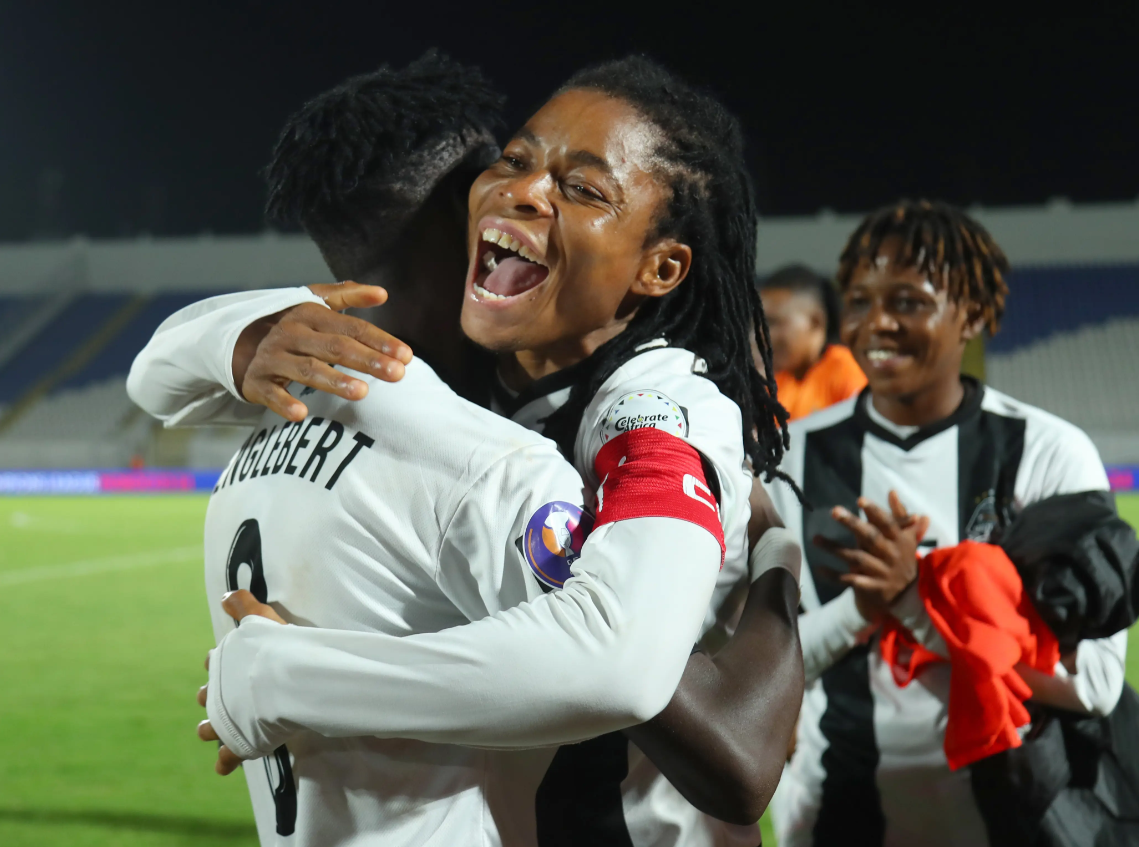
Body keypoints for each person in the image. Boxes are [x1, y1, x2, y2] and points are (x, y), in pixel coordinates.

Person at [130, 54, 804, 846]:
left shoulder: (656, 408)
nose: (525, 189)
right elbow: (155, 374)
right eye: (515, 161)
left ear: (660, 267)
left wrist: (287, 675)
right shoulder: (459, 376)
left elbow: (666, 701)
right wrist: (239, 337)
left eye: (583, 187)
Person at [765, 199, 1131, 847]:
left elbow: (1094, 682)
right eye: (859, 299)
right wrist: (864, 606)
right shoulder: (790, 456)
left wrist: (914, 600)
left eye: (907, 300)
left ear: (974, 313)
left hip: (1016, 818)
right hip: (836, 817)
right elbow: (763, 662)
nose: (876, 322)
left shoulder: (1047, 451)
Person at [759, 264, 865, 421]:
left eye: (774, 322)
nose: (763, 334)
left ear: (815, 322)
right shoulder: (778, 384)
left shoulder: (848, 374)